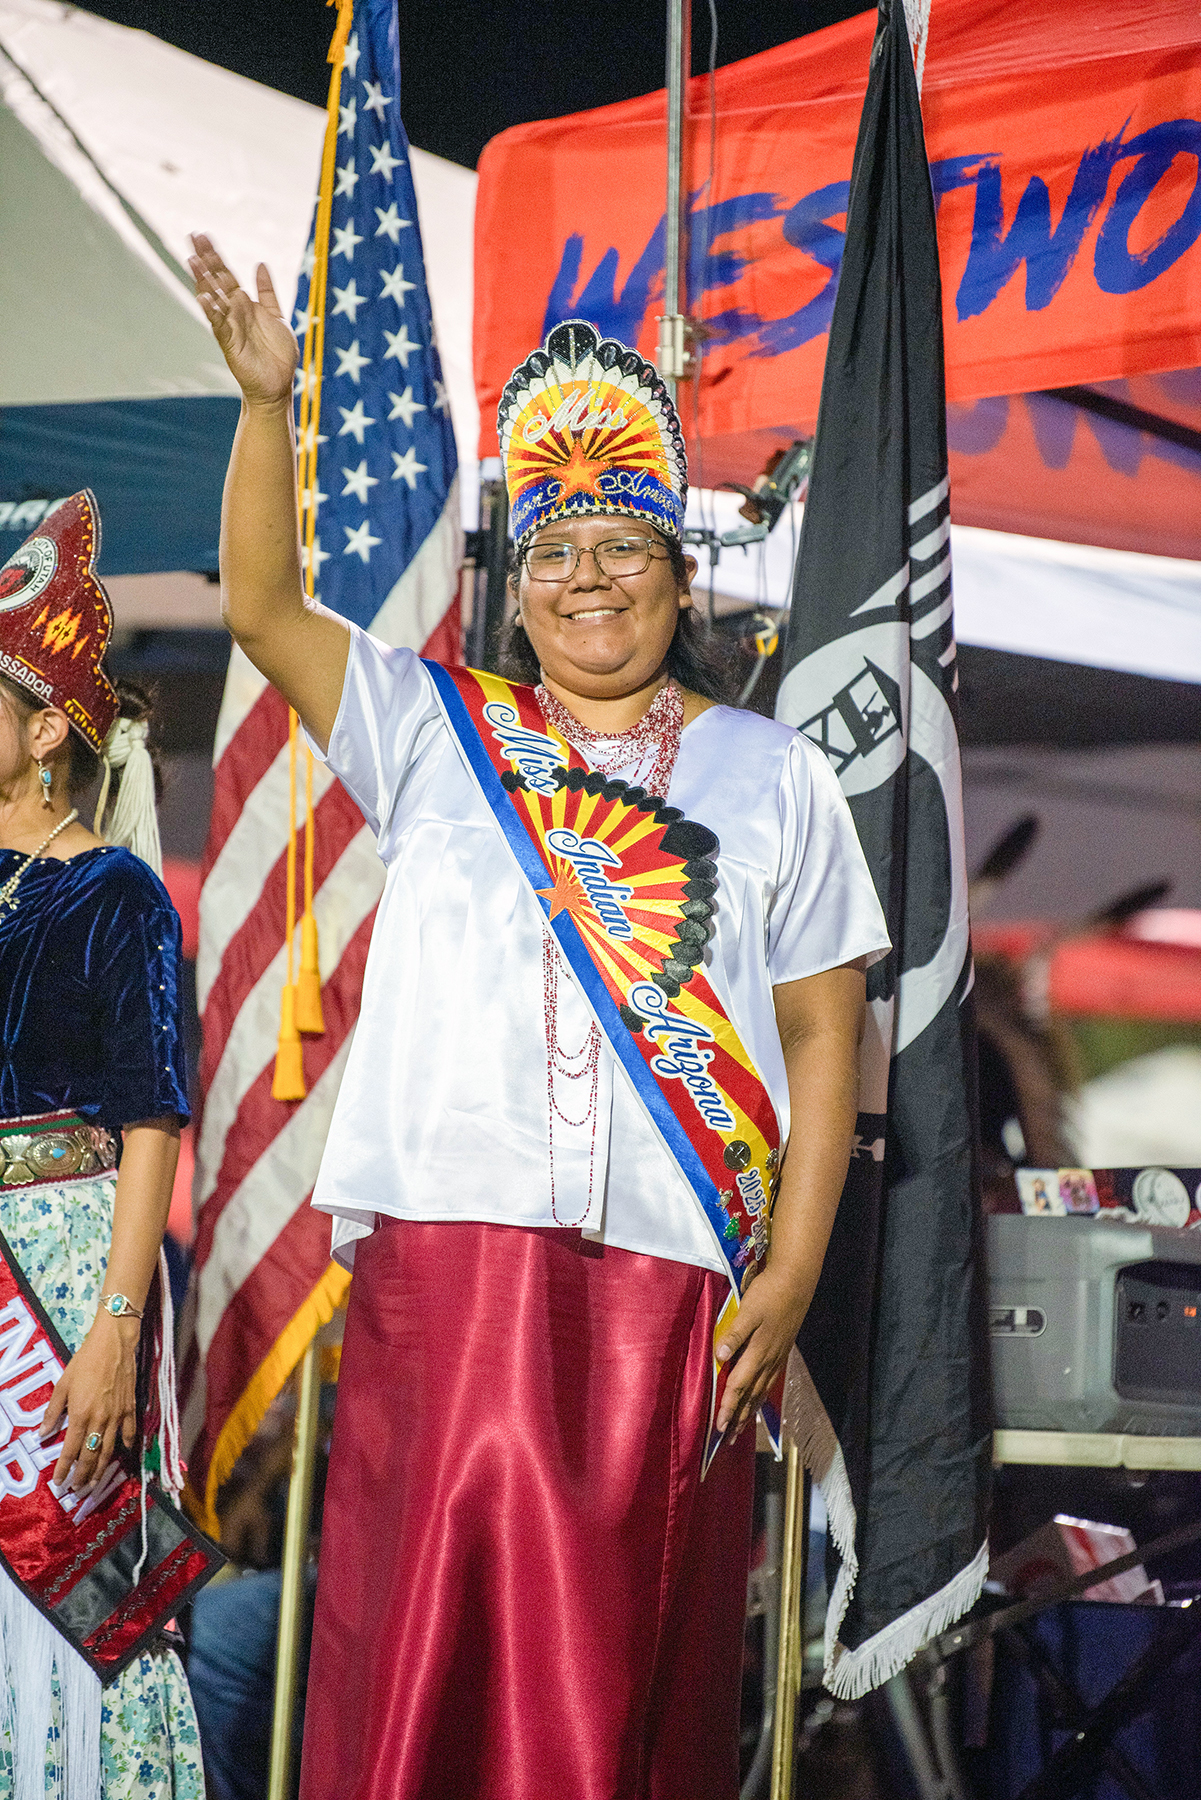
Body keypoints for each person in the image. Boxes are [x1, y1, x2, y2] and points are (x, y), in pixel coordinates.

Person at [191, 234, 890, 1800]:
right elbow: (258, 609)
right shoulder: (435, 730)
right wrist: (263, 406)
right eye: (558, 552)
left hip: (668, 1283)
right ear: (518, 585)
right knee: (418, 1651)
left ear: (680, 572)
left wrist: (792, 1268)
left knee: (623, 1675)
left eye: (624, 550)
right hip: (448, 1260)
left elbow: (828, 1035)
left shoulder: (772, 775)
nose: (590, 583)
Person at [0, 492, 203, 1796]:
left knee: (66, 1592)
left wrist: (119, 1324)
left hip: (65, 1275)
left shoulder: (111, 891)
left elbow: (152, 1117)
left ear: (45, 730)